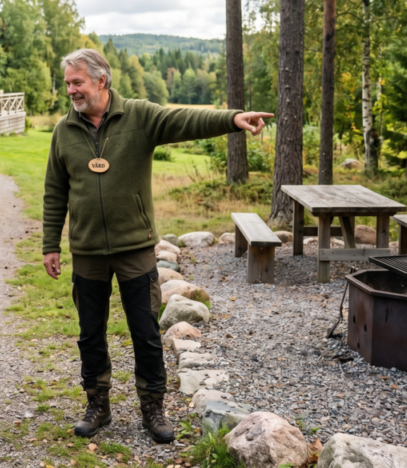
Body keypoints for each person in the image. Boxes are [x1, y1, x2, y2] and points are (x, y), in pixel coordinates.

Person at [42, 49, 272, 443]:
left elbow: (185, 120)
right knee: (90, 334)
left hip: (135, 248)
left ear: (100, 80)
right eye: (67, 83)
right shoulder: (64, 131)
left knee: (145, 332)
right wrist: (51, 244)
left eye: (77, 82)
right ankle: (97, 404)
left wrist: (232, 119)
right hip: (87, 252)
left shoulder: (139, 116)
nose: (71, 90)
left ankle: (153, 406)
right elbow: (54, 191)